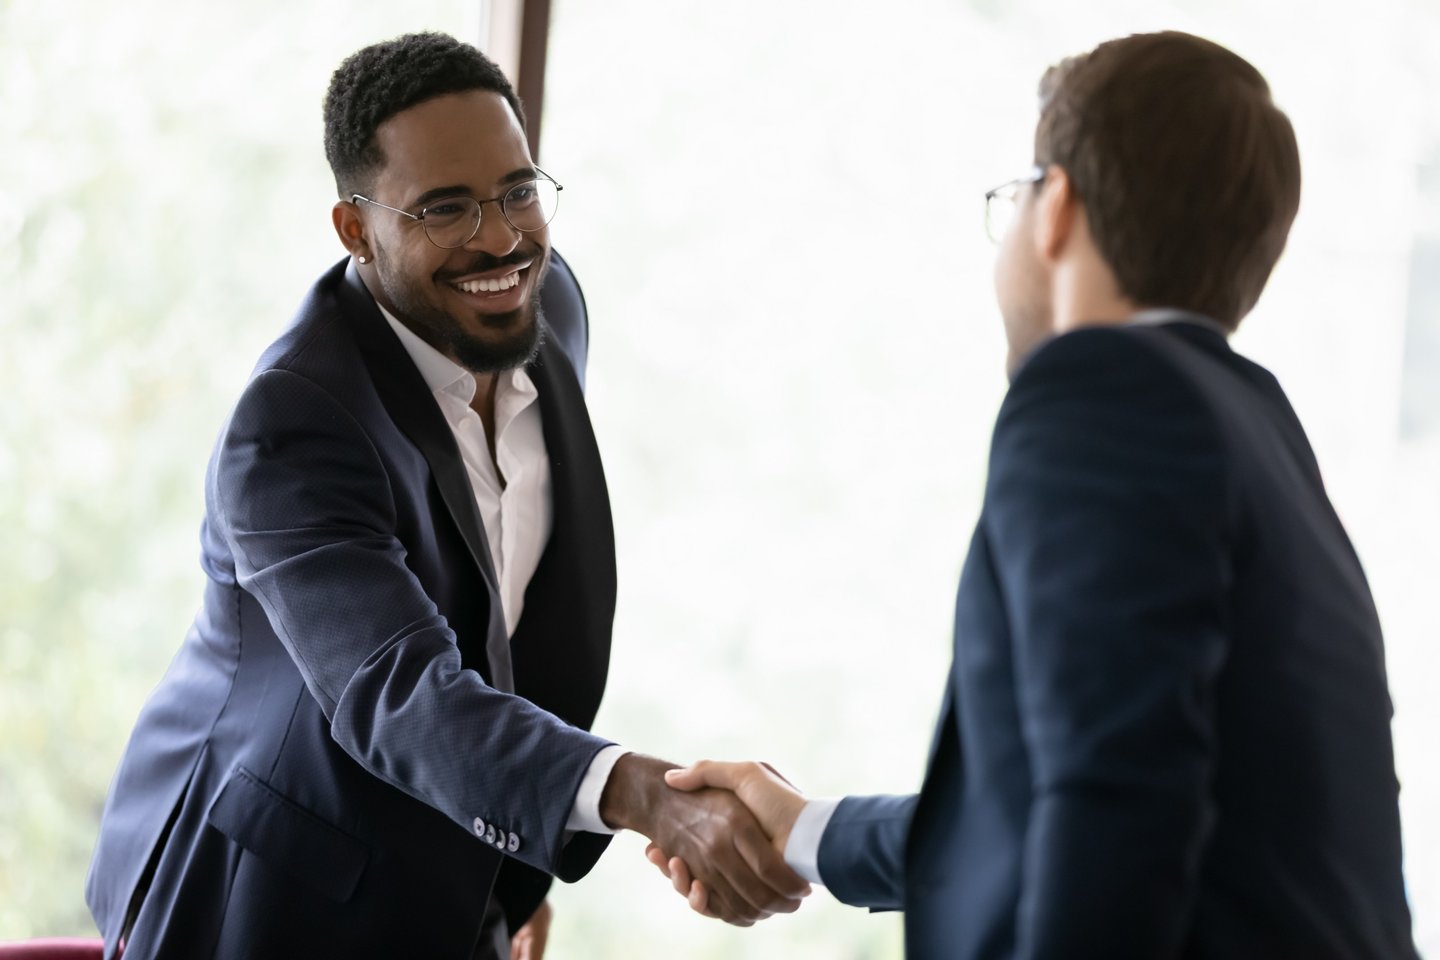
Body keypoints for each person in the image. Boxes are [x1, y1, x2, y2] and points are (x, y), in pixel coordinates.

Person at [651, 31, 1420, 960]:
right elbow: (1060, 805)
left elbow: (1116, 799)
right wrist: (807, 830)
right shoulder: (1257, 424)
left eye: (1012, 198)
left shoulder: (1100, 391)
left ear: (1056, 207)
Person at [85, 32, 806, 960]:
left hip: (457, 858)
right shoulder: (293, 424)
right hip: (267, 884)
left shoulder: (543, 308)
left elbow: (504, 622)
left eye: (518, 191)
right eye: (445, 208)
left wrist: (507, 872)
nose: (500, 239)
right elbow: (397, 691)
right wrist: (644, 796)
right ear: (355, 230)